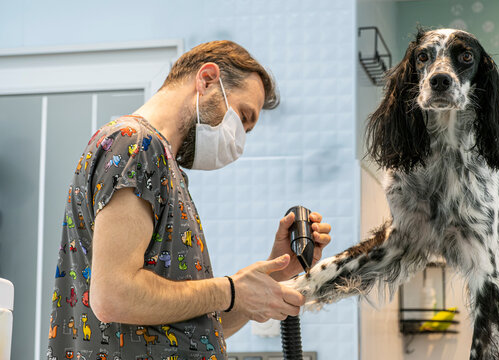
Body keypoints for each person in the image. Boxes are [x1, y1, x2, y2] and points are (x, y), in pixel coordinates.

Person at [47, 40, 332, 360]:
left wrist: (270, 277)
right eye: (242, 116)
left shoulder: (168, 169)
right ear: (207, 79)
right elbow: (114, 295)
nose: (238, 140)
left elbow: (195, 330)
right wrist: (231, 289)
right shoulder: (134, 143)